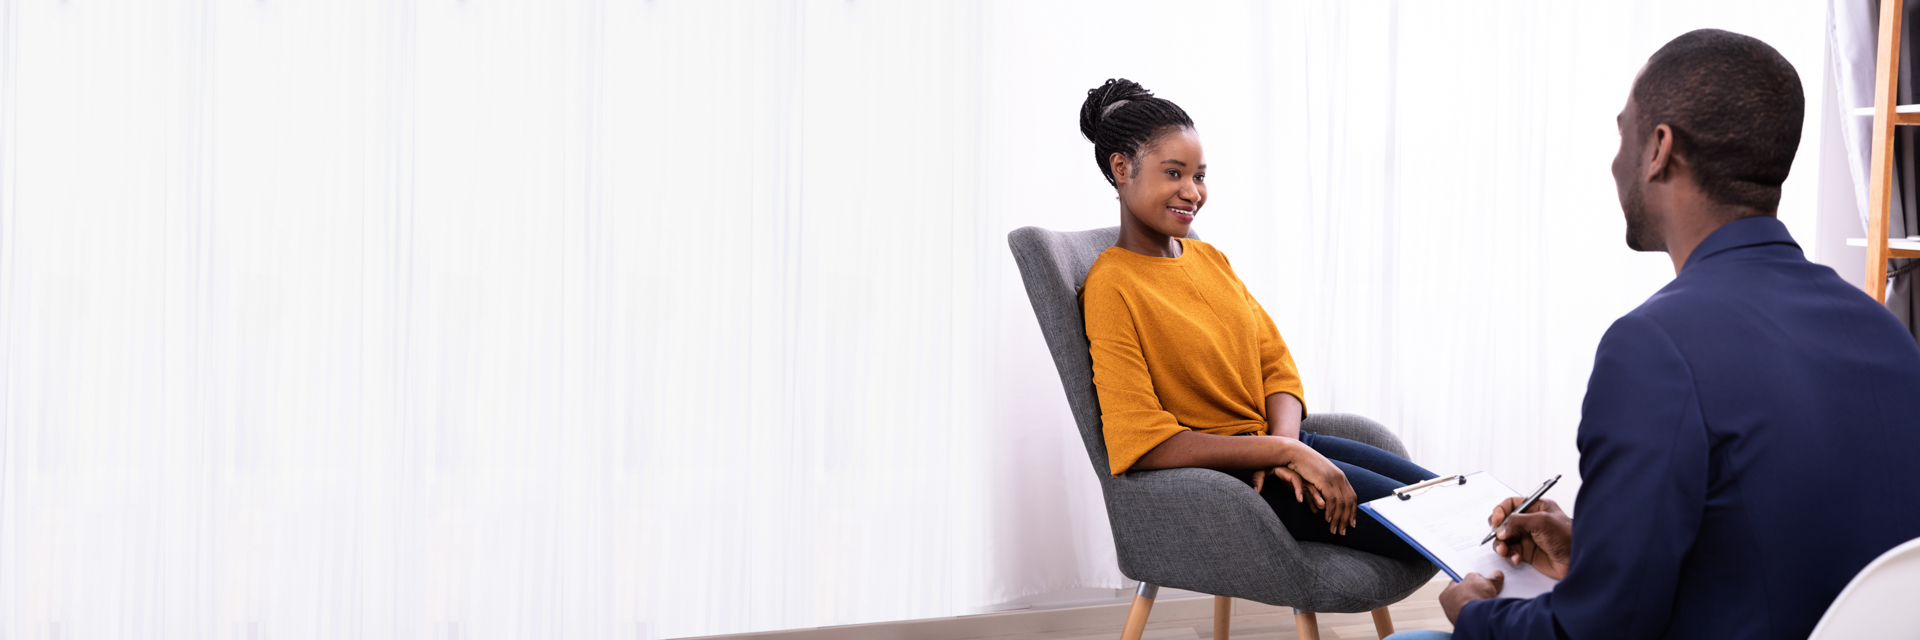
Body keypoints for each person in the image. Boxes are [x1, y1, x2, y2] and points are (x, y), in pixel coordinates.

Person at [1385, 29, 1920, 640]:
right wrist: (1592, 549)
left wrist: (1474, 613)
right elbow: (1782, 543)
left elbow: (1595, 632)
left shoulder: (1652, 348)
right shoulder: (1885, 331)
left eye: (1624, 133)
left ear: (1660, 148)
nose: (1616, 160)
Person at [1078, 78, 1438, 562]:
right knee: (1441, 528)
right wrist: (1283, 456)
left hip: (1279, 450)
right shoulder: (1111, 285)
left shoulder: (1210, 260)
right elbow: (1143, 442)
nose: (1193, 192)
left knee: (1455, 502)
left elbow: (1277, 366)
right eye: (1173, 173)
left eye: (1199, 175)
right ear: (1121, 168)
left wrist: (1288, 448)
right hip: (1232, 482)